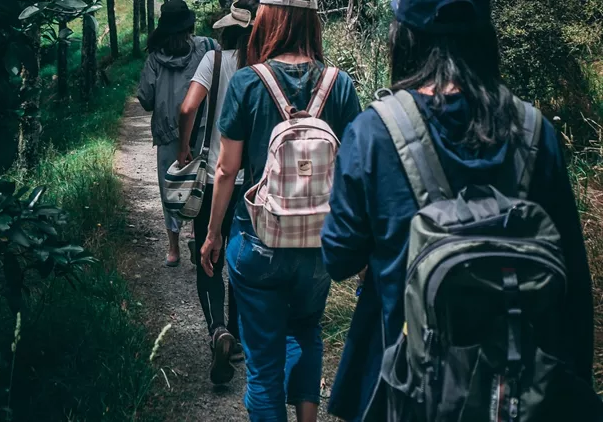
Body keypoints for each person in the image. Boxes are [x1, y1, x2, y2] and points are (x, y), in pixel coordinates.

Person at [320, 0, 594, 420]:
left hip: (408, 391)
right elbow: (573, 283)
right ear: (485, 35)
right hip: (519, 394)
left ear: (403, 36)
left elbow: (338, 257)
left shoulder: (374, 134)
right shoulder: (536, 133)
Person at [200, 0, 362, 418]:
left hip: (260, 240)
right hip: (319, 242)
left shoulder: (247, 82)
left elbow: (225, 169)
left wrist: (213, 234)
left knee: (263, 366)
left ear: (268, 19)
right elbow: (354, 171)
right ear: (311, 22)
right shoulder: (340, 84)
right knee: (307, 331)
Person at [177, 0, 259, 385]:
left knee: (208, 256)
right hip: (253, 185)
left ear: (226, 28)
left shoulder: (213, 59)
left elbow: (187, 107)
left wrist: (183, 147)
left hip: (213, 177)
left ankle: (217, 330)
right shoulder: (263, 66)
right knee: (240, 258)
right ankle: (239, 339)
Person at [137, 0, 218, 267]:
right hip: (203, 130)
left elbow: (146, 99)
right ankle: (198, 236)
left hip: (168, 133)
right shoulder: (207, 47)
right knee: (203, 184)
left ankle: (174, 249)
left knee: (170, 189)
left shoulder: (154, 59)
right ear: (189, 25)